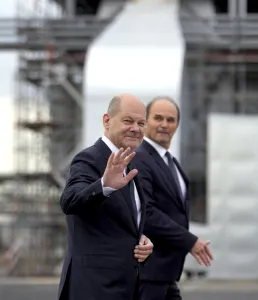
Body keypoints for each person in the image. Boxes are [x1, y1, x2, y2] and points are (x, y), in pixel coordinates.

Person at [58, 94, 154, 300]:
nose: (136, 128)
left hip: (126, 287)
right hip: (94, 288)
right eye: (128, 121)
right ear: (107, 121)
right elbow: (69, 201)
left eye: (141, 123)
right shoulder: (88, 158)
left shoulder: (130, 166)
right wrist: (104, 185)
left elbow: (120, 224)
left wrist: (141, 238)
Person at [135, 96, 213, 300]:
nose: (164, 124)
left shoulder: (172, 163)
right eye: (158, 118)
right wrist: (189, 241)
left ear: (177, 124)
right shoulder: (139, 158)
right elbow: (147, 212)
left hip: (166, 272)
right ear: (145, 121)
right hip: (148, 271)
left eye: (170, 120)